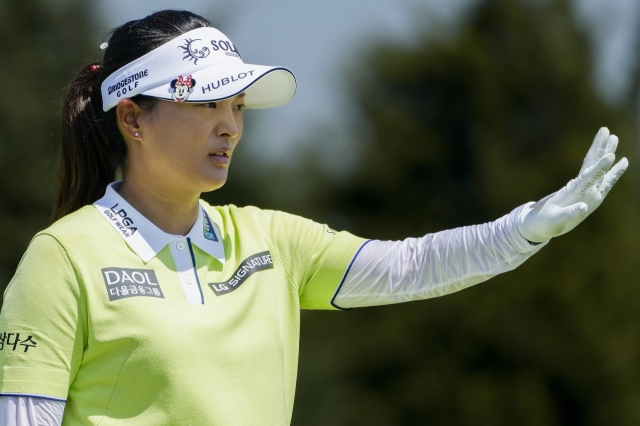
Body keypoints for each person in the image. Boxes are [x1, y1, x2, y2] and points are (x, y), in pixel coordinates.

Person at [0, 9, 628, 426]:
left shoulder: (270, 239)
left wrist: (523, 229)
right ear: (132, 118)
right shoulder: (63, 258)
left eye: (239, 105)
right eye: (207, 102)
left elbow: (410, 266)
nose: (230, 125)